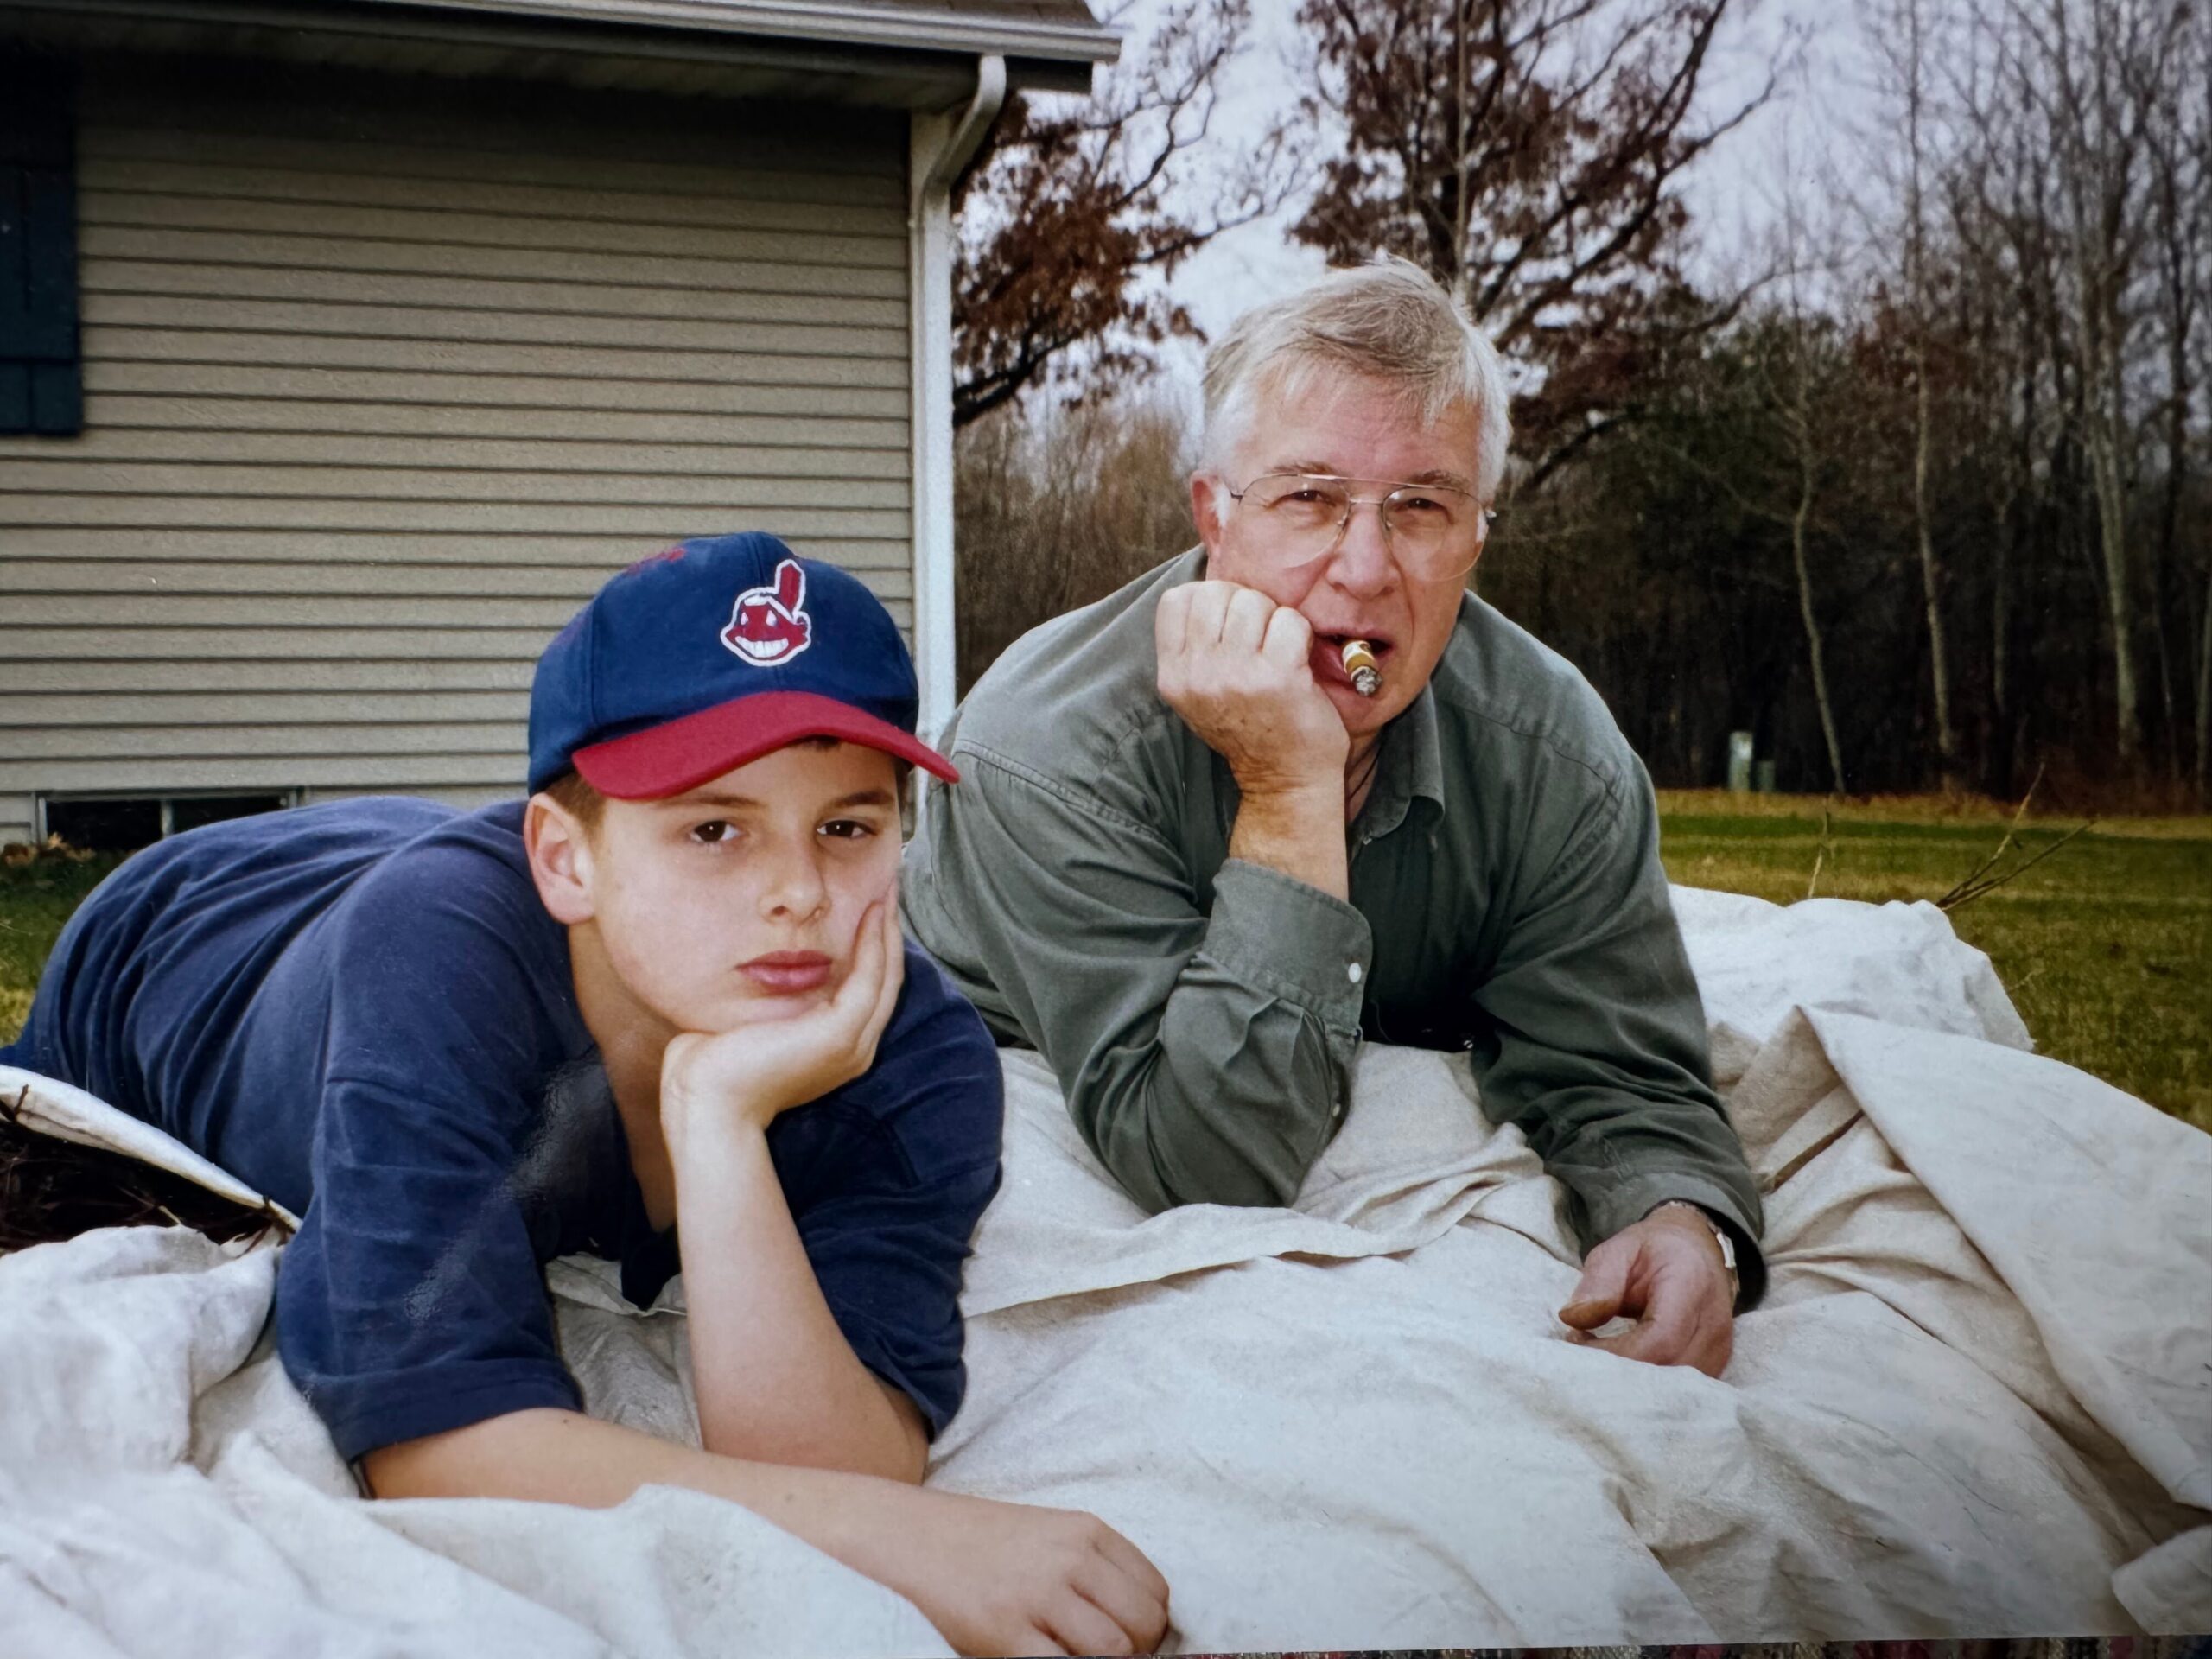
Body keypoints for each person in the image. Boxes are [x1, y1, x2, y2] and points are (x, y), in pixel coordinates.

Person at [2, 531, 1169, 1658]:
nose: (800, 894)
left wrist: (718, 1123)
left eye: (847, 825)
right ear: (565, 859)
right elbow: (430, 1442)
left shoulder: (917, 1049)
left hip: (449, 872)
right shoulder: (436, 961)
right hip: (190, 928)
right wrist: (904, 1544)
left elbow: (827, 1464)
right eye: (714, 829)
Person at [902, 262, 1766, 1378]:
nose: (1362, 572)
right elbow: (1210, 1163)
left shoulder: (1556, 758)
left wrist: (1681, 1220)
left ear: (1476, 539)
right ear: (1216, 517)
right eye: (1308, 498)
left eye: (1421, 507)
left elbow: (1621, 1072)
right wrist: (1290, 790)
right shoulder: (1044, 750)